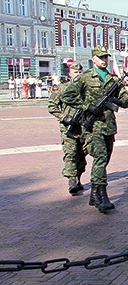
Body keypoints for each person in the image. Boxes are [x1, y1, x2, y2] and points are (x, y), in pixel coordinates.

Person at [62, 46, 128, 213]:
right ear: (93, 59)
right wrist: (88, 107)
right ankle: (101, 195)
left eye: (105, 57)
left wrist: (118, 100)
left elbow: (127, 99)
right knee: (100, 158)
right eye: (100, 57)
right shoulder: (85, 77)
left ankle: (94, 194)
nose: (104, 60)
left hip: (109, 126)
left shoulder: (113, 79)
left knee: (105, 159)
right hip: (93, 126)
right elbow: (68, 96)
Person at [48, 62, 87, 195]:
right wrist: (64, 117)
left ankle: (78, 178)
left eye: (80, 72)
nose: (78, 75)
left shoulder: (86, 89)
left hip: (83, 127)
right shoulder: (63, 88)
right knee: (70, 154)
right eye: (75, 72)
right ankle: (71, 182)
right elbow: (52, 106)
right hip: (68, 128)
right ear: (70, 74)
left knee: (82, 155)